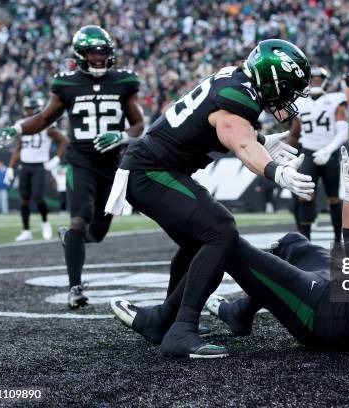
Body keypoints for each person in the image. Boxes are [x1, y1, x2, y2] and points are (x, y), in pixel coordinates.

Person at [112, 138, 349, 355]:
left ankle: (163, 319)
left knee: (224, 239)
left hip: (321, 312)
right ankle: (239, 312)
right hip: (341, 294)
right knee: (293, 242)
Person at [104, 39, 313, 358]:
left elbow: (222, 126)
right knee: (220, 230)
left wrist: (260, 140)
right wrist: (275, 171)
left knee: (201, 241)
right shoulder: (239, 94)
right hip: (150, 171)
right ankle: (180, 330)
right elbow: (239, 142)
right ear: (269, 77)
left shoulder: (236, 80)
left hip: (154, 170)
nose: (287, 97)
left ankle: (164, 321)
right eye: (286, 87)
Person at [0, 26, 145, 308]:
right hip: (81, 159)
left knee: (98, 231)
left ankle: (72, 240)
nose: (99, 58)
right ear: (80, 55)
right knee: (80, 217)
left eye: (103, 52)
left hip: (112, 162)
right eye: (93, 52)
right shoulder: (66, 84)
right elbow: (43, 119)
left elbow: (139, 125)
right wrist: (17, 128)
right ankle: (74, 287)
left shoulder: (124, 82)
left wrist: (122, 135)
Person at [287, 67, 349, 242]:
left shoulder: (335, 99)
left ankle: (338, 238)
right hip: (308, 152)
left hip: (329, 152)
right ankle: (305, 241)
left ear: (326, 80)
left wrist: (328, 150)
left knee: (333, 198)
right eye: (312, 77)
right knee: (304, 194)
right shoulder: (300, 102)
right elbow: (295, 133)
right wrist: (283, 153)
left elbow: (343, 132)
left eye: (318, 77)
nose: (315, 80)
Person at [3, 97, 68, 241]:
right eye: (26, 109)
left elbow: (63, 141)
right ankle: (26, 230)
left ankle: (45, 222)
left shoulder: (47, 124)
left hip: (39, 165)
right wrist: (11, 167)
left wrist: (57, 158)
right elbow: (18, 149)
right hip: (25, 165)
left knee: (38, 196)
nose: (28, 111)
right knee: (24, 199)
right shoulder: (20, 124)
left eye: (30, 109)